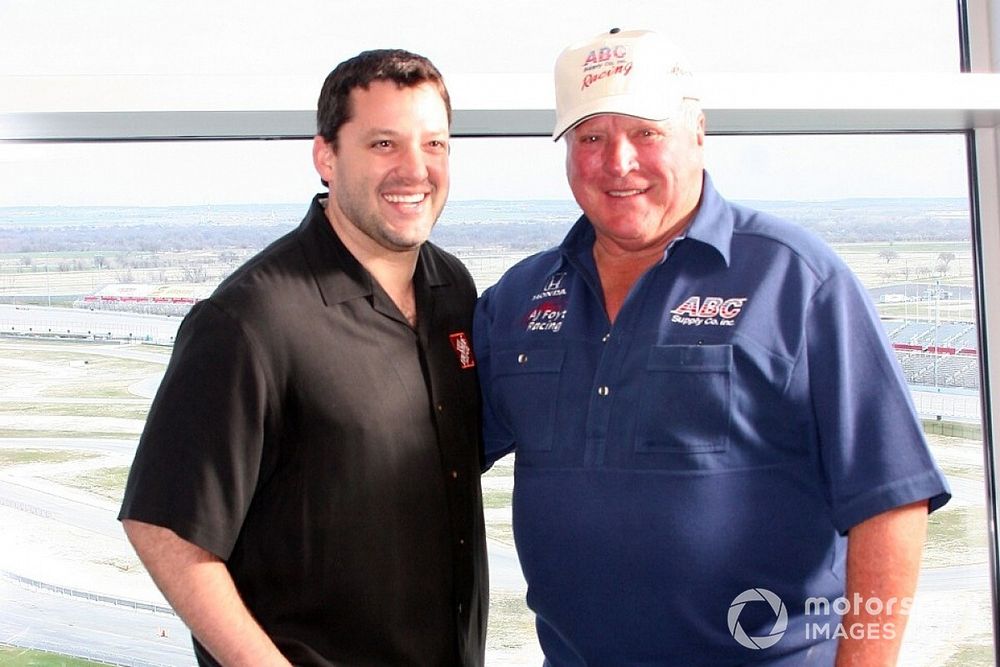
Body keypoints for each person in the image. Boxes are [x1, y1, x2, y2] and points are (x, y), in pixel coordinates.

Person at [474, 29, 950, 666]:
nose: (619, 162)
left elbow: (893, 501)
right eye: (592, 137)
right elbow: (429, 459)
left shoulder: (798, 281)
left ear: (697, 131)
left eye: (646, 132)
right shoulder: (519, 298)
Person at [119, 49, 487, 666]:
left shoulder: (452, 289)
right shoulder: (250, 320)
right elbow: (163, 526)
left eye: (435, 145)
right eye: (383, 145)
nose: (415, 169)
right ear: (326, 156)